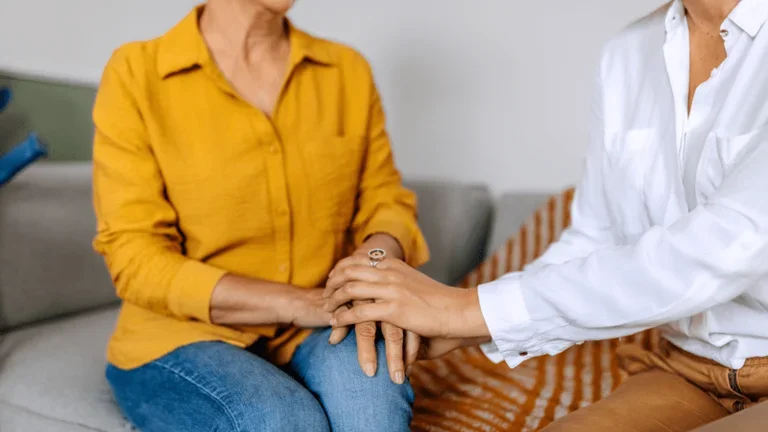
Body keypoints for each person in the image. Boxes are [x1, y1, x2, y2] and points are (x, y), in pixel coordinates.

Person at [324, 0, 768, 430]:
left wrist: (467, 310)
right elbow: (597, 236)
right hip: (684, 371)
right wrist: (463, 328)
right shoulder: (629, 53)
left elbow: (727, 243)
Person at [92, 0, 429, 430]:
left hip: (320, 323)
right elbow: (134, 258)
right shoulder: (136, 73)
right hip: (182, 333)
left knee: (373, 411)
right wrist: (298, 303)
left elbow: (385, 200)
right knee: (285, 421)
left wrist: (373, 264)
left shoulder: (346, 71)